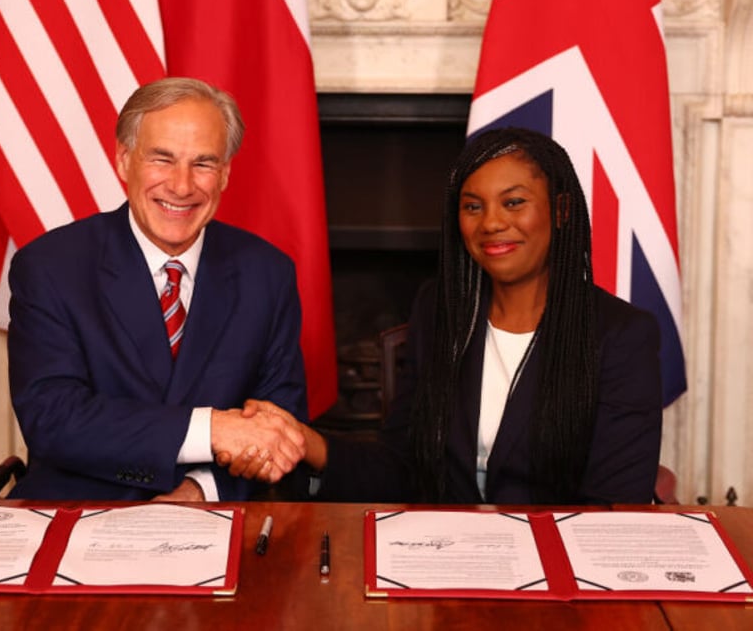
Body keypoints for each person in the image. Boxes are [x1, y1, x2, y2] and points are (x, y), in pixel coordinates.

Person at [224, 127, 663, 505]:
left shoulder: (622, 336)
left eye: (513, 203)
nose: (490, 223)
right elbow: (402, 469)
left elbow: (613, 505)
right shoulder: (440, 311)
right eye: (473, 206)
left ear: (562, 211)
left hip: (559, 580)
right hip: (443, 564)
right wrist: (305, 442)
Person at [6, 77, 307, 502]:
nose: (182, 186)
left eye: (203, 163)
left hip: (216, 517)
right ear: (124, 160)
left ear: (224, 174)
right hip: (82, 511)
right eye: (162, 159)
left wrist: (201, 490)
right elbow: (53, 418)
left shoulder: (267, 272)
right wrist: (212, 428)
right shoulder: (51, 267)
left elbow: (281, 428)